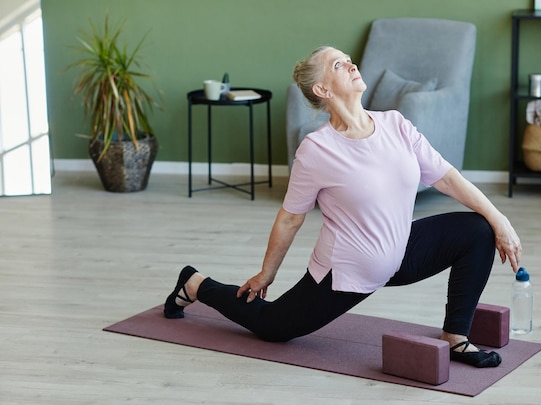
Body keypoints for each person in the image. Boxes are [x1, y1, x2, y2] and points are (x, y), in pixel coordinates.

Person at [164, 46, 522, 368]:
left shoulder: (395, 124)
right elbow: (291, 218)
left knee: (478, 230)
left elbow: (446, 177)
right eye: (339, 64)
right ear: (322, 89)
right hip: (345, 273)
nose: (351, 65)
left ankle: (455, 337)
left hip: (401, 253)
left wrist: (499, 219)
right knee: (273, 327)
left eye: (349, 60)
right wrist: (267, 272)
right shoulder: (316, 149)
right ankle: (196, 284)